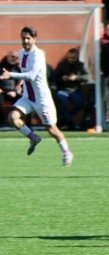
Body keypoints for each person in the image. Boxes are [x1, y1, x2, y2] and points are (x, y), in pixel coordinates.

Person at [0, 27, 73, 166]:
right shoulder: (21, 53)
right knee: (12, 118)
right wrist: (20, 83)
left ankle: (66, 151)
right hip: (28, 97)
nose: (25, 41)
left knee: (52, 129)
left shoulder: (38, 54)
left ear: (34, 39)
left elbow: (32, 75)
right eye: (23, 38)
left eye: (28, 38)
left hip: (42, 99)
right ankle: (33, 138)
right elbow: (25, 72)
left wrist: (11, 75)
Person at [53, 47, 89, 131]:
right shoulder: (61, 65)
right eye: (69, 57)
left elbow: (86, 77)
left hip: (75, 90)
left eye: (73, 58)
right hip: (63, 89)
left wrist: (76, 77)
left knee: (80, 102)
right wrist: (62, 78)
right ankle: (69, 122)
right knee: (61, 101)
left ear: (77, 57)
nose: (71, 59)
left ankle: (66, 120)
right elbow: (54, 78)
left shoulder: (80, 65)